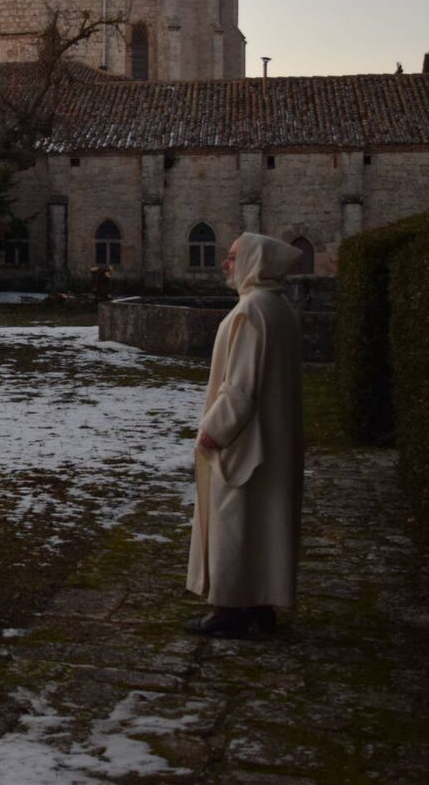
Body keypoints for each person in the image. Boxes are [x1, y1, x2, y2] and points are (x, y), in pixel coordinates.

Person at [185, 232, 306, 638]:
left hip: (248, 441)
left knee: (233, 518)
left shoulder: (252, 311)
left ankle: (230, 608)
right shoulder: (278, 307)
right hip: (273, 439)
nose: (226, 264)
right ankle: (259, 603)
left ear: (254, 260)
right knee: (263, 522)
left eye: (234, 256)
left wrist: (213, 432)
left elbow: (240, 387)